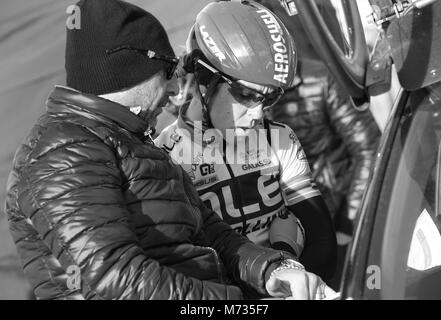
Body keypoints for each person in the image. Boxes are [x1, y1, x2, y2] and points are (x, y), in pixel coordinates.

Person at [4, 0, 334, 300]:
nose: (177, 88)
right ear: (128, 72)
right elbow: (113, 280)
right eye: (167, 69)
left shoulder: (130, 141)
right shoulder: (62, 150)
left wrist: (270, 269)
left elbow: (211, 234)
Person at [155, 0, 337, 283]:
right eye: (246, 94)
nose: (257, 112)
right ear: (204, 79)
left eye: (268, 98)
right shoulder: (165, 158)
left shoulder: (279, 138)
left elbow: (323, 244)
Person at [254, 0, 381, 243]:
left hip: (337, 216)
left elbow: (369, 147)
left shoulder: (321, 78)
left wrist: (349, 223)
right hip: (289, 233)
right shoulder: (246, 97)